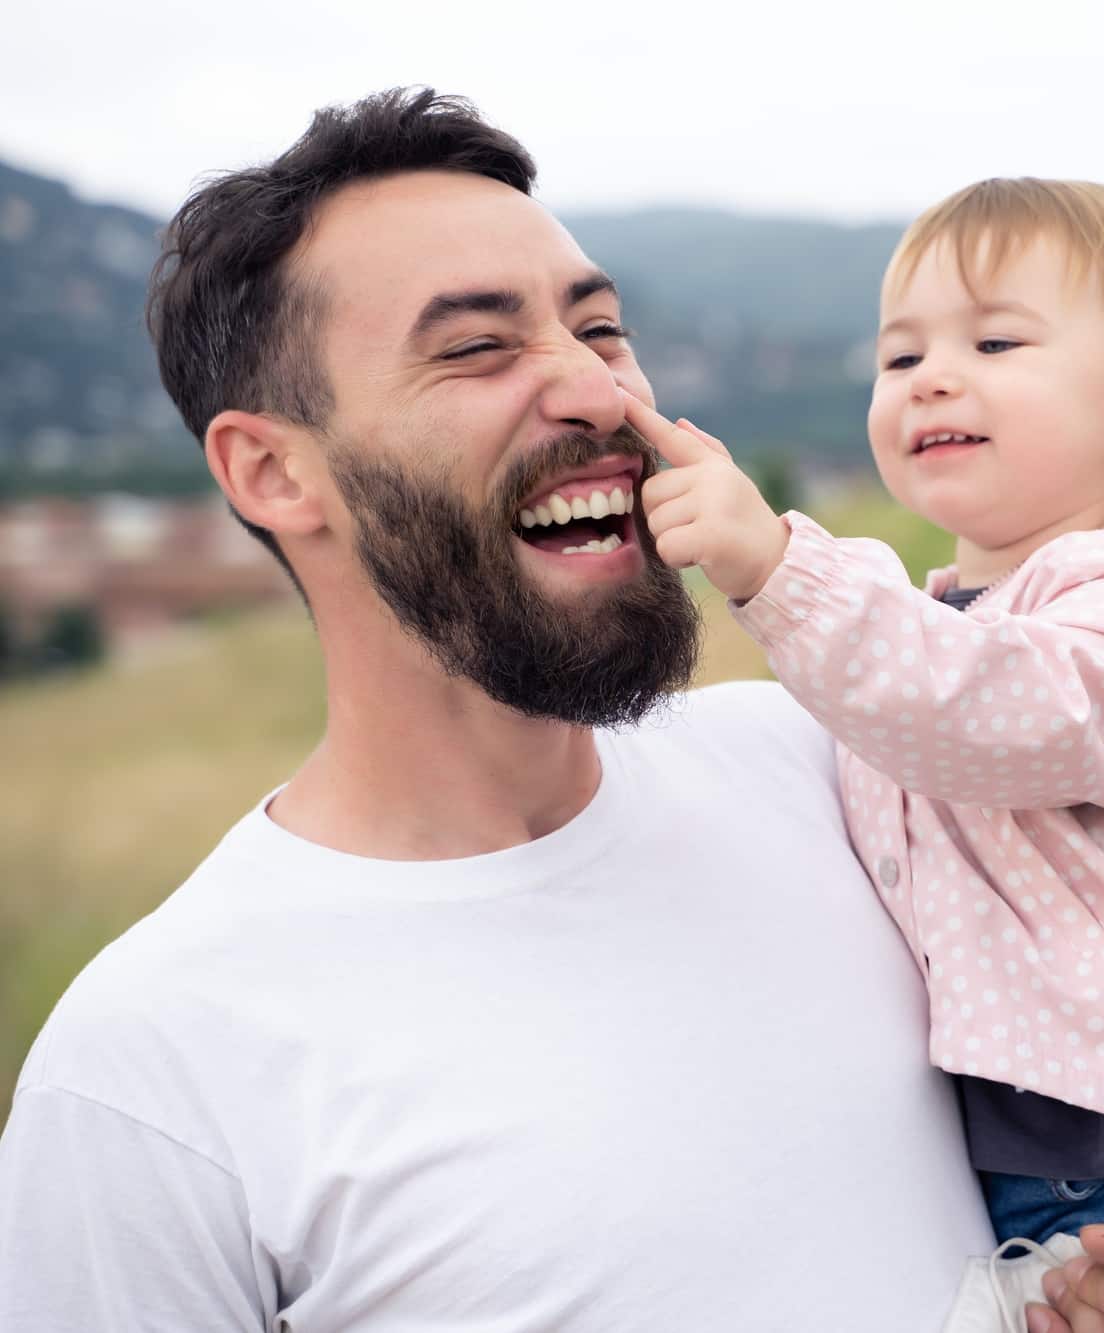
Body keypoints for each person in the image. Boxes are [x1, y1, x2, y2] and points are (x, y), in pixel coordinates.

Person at [0, 88, 997, 1330]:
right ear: (271, 471)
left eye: (601, 328)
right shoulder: (155, 1066)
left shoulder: (828, 771)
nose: (593, 392)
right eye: (476, 346)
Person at [630, 177, 1104, 1325]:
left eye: (995, 339)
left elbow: (996, 708)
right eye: (897, 355)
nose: (930, 375)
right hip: (1037, 1155)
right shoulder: (946, 620)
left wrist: (774, 565)